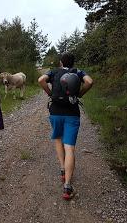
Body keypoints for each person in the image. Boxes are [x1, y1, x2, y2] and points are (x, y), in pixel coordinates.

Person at [38, 53, 93, 200]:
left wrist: (50, 93)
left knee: (57, 139)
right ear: (73, 62)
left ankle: (63, 169)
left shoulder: (54, 71)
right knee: (70, 148)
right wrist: (80, 94)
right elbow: (89, 82)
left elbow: (41, 80)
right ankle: (67, 186)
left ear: (61, 62)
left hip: (55, 111)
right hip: (72, 114)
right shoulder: (78, 72)